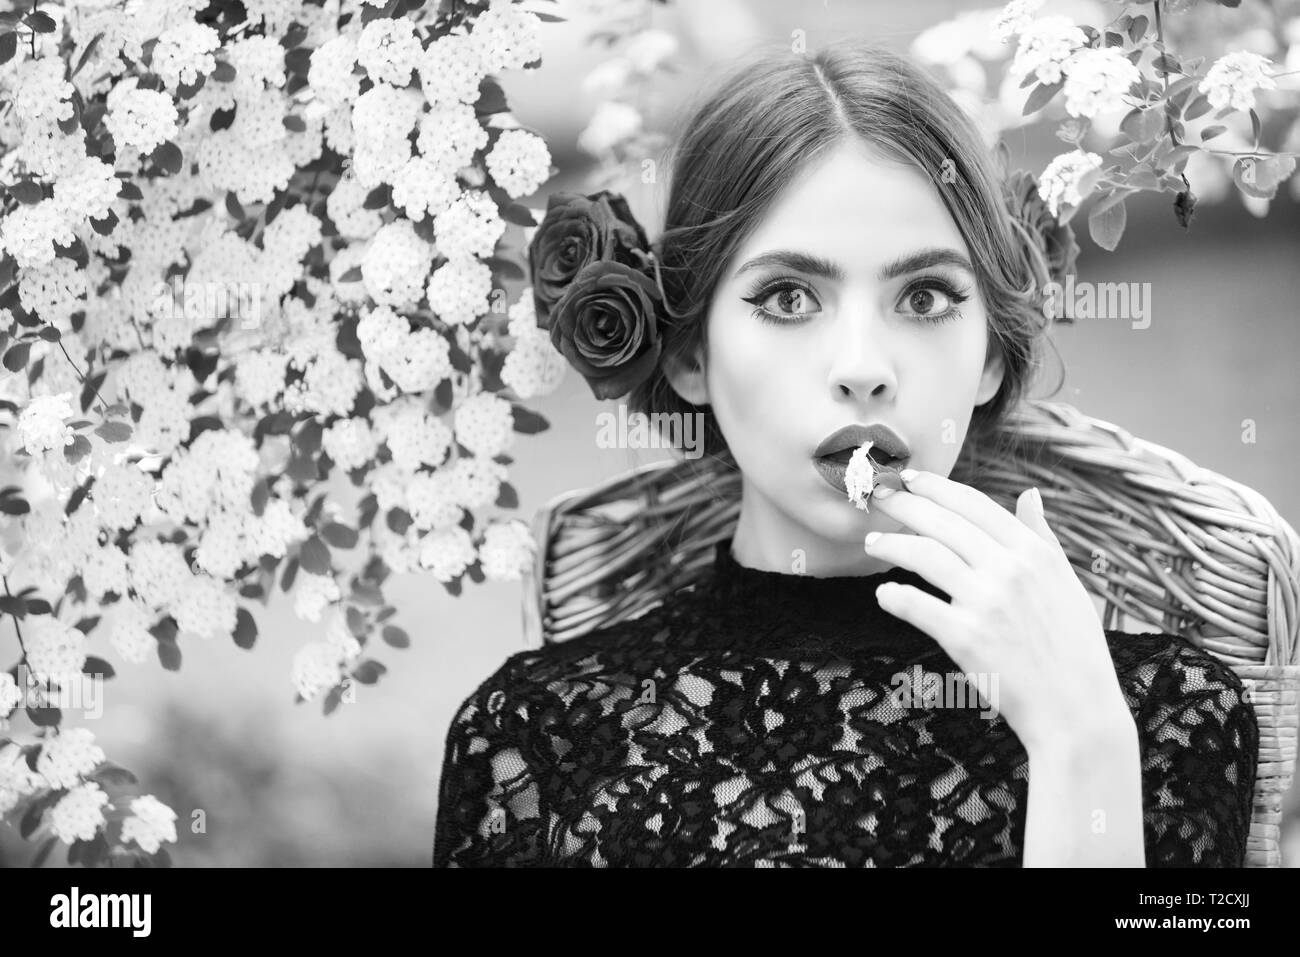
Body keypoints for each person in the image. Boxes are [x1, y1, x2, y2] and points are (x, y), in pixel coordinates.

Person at [432, 38, 1258, 867]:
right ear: (690, 356)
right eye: (789, 297)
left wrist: (1081, 743)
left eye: (925, 296)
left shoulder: (1164, 719)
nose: (863, 366)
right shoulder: (532, 741)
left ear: (994, 355)